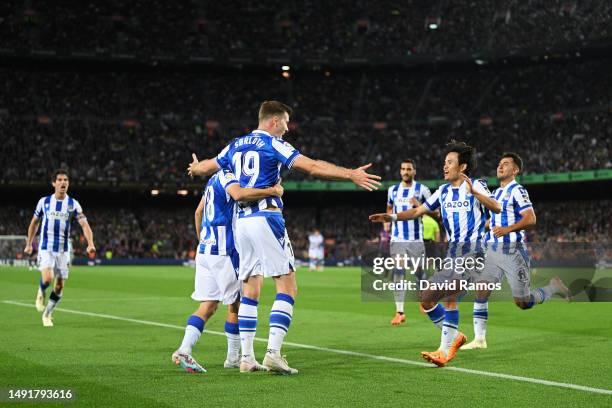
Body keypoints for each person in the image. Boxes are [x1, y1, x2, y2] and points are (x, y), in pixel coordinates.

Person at [188, 100, 380, 374]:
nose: (287, 129)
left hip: (241, 224)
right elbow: (311, 166)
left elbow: (208, 166)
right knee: (287, 286)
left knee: (251, 290)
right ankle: (273, 353)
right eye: (287, 123)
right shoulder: (272, 143)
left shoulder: (234, 144)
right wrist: (351, 174)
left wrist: (195, 169)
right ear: (274, 121)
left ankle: (246, 358)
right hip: (267, 218)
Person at [370, 141, 501, 367]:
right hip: (452, 254)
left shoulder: (476, 184)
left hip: (474, 253)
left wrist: (475, 193)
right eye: (444, 163)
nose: (445, 166)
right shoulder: (442, 191)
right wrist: (391, 217)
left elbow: (497, 207)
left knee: (444, 294)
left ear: (463, 167)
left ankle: (444, 349)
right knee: (427, 298)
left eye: (450, 162)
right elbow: (418, 210)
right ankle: (454, 338)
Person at [172, 169, 283, 373]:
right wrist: (272, 190)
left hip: (206, 248)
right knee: (236, 305)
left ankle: (184, 349)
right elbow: (240, 195)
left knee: (208, 305)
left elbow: (198, 213)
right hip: (224, 250)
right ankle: (233, 358)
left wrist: (203, 241)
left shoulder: (213, 179)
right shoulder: (229, 177)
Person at [462, 153, 570, 350]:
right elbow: (492, 222)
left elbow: (531, 218)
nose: (500, 166)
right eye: (499, 163)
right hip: (492, 251)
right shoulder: (495, 194)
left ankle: (553, 287)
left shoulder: (518, 190)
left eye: (506, 164)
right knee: (481, 290)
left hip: (513, 252)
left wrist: (508, 229)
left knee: (522, 302)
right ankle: (479, 339)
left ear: (516, 170)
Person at [24, 169, 95, 327]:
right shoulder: (44, 202)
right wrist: (29, 244)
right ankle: (41, 291)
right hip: (46, 247)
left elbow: (84, 224)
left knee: (59, 286)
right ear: (54, 183)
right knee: (48, 278)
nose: (63, 182)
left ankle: (47, 314)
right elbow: (34, 223)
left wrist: (90, 243)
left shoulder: (73, 204)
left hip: (63, 250)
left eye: (66, 180)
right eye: (60, 180)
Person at [386, 159, 431, 325]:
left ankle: (424, 300)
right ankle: (400, 311)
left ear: (414, 171)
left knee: (419, 273)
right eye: (403, 169)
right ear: (400, 171)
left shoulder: (423, 190)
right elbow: (389, 208)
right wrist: (386, 221)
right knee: (399, 273)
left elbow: (436, 212)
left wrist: (419, 205)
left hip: (416, 240)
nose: (405, 172)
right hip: (397, 239)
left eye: (409, 169)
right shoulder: (392, 190)